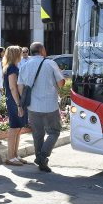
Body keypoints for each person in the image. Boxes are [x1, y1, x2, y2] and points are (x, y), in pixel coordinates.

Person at [18, 41, 65, 172]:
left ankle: (40, 158)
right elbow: (61, 83)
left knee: (37, 134)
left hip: (32, 106)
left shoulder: (25, 66)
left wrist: (23, 103)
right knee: (54, 132)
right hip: (50, 105)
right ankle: (42, 156)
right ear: (42, 50)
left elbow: (20, 86)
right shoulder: (50, 63)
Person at [2, 46, 28, 166]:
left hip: (16, 100)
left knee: (18, 128)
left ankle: (15, 155)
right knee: (14, 129)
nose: (22, 54)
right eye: (20, 53)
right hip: (14, 101)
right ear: (15, 54)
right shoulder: (12, 68)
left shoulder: (12, 67)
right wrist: (18, 104)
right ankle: (10, 157)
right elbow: (13, 87)